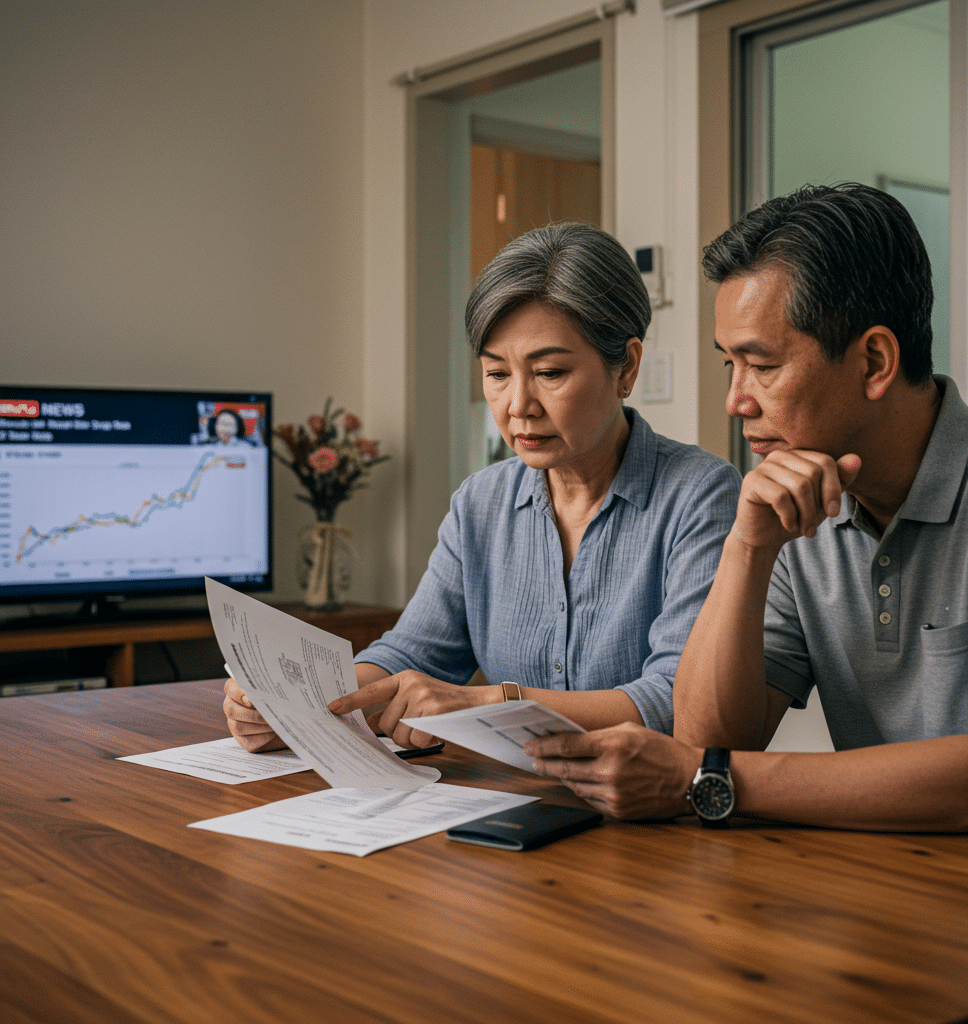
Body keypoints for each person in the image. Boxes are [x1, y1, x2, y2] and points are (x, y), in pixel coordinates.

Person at [526, 184, 968, 833]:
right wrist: (748, 548)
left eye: (760, 365)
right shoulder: (795, 503)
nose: (736, 401)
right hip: (884, 876)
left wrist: (711, 781)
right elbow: (709, 740)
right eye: (728, 364)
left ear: (875, 361)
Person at [224, 222, 741, 752]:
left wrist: (493, 702)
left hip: (646, 801)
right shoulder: (481, 502)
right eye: (497, 374)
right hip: (512, 793)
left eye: (550, 372)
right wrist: (296, 703)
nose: (518, 405)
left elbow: (673, 700)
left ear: (626, 367)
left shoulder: (700, 495)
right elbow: (411, 654)